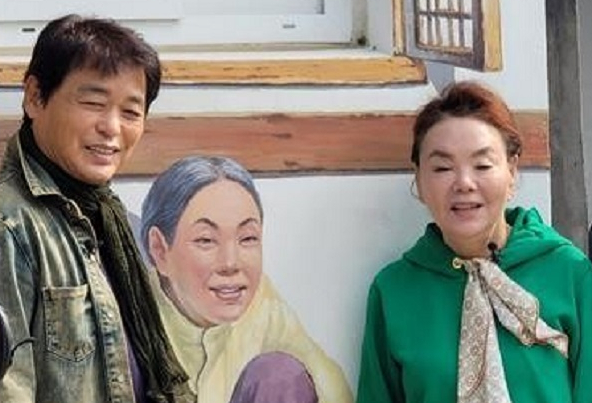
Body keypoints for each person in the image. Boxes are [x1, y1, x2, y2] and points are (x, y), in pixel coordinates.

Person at [356, 81, 592, 403]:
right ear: (419, 179)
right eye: (443, 168)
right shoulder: (393, 291)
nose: (464, 183)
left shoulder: (570, 274)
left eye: (482, 165)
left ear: (511, 171)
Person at [0, 14, 192, 403]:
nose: (112, 128)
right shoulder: (10, 225)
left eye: (131, 112)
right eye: (93, 103)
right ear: (35, 97)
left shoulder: (103, 213)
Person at [140, 155, 353, 403]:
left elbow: (333, 389)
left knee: (278, 376)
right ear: (160, 250)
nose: (231, 263)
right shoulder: (128, 310)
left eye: (248, 238)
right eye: (206, 240)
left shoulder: (262, 304)